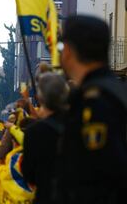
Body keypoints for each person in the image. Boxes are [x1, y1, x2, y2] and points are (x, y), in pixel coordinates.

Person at [58, 15, 127, 203]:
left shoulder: (95, 102)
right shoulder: (114, 91)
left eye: (61, 48)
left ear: (70, 51)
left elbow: (102, 176)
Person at [21, 72, 69, 204]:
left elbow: (28, 173)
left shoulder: (34, 132)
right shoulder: (77, 123)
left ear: (40, 97)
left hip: (46, 196)